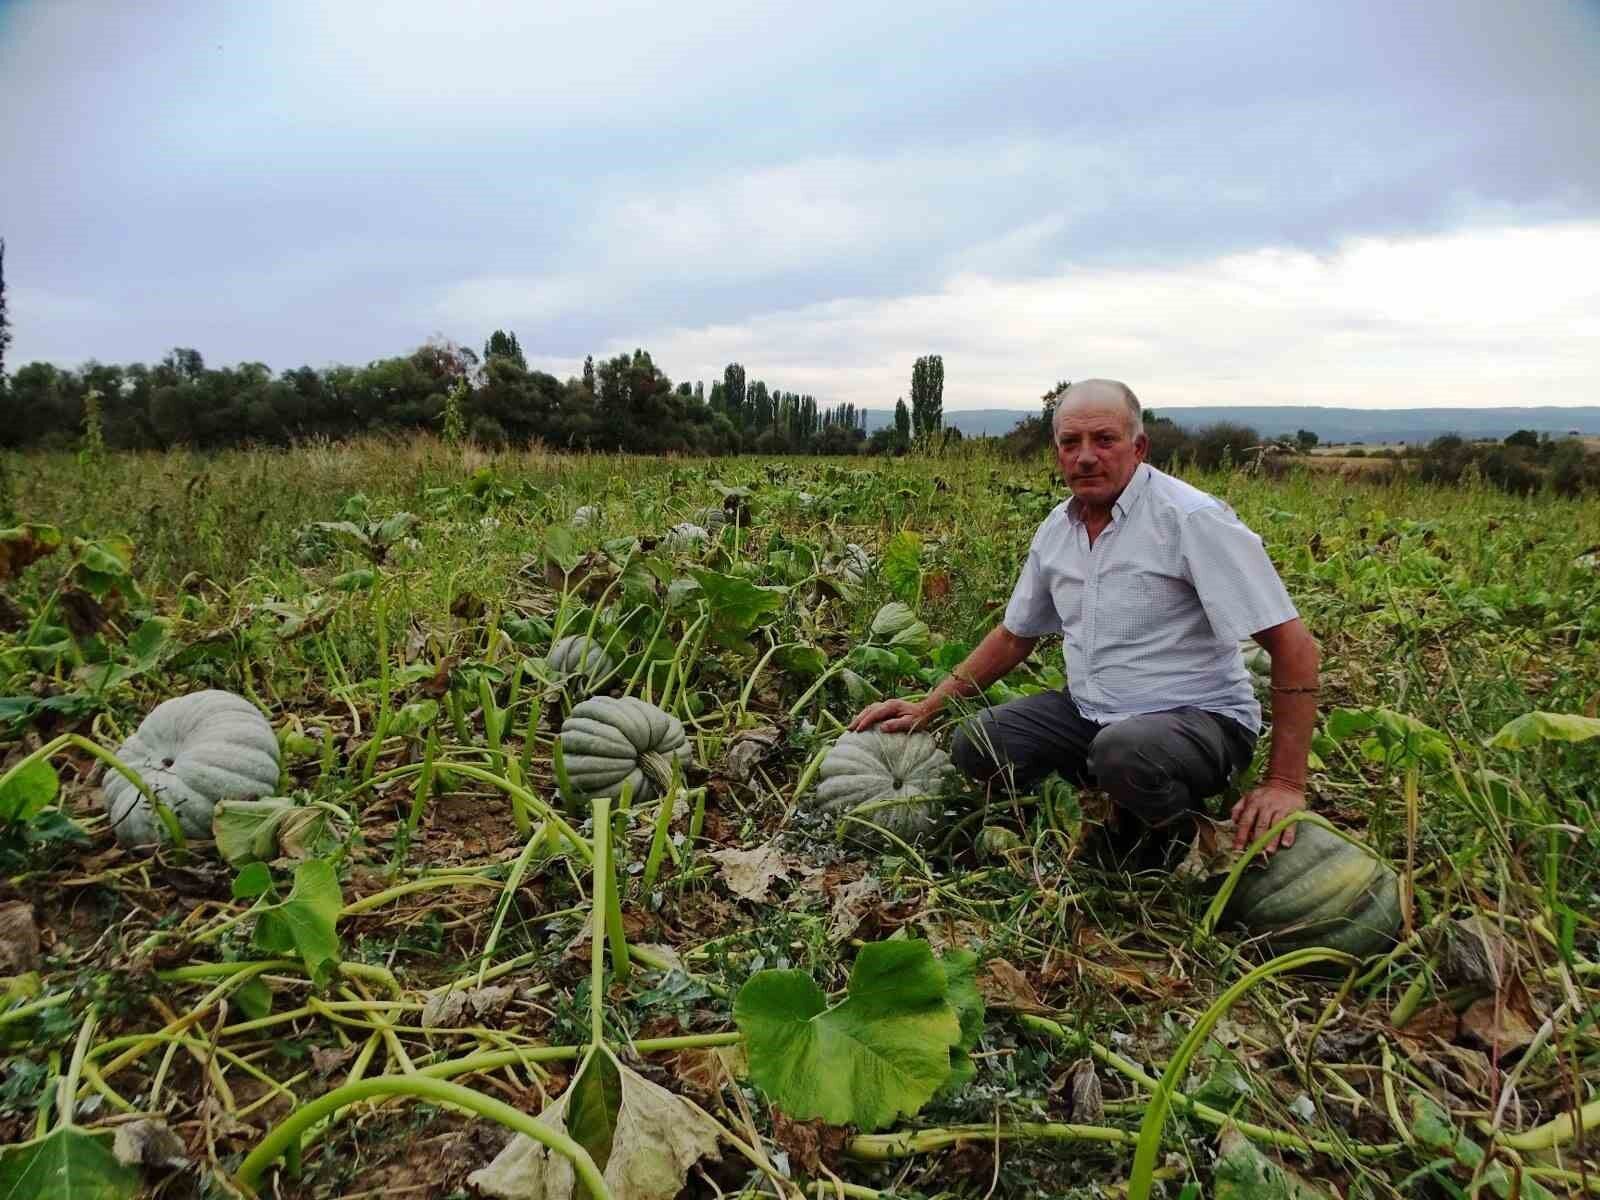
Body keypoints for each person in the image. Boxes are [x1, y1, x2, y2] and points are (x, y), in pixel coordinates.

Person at [850, 379, 1319, 866]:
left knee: (1126, 752)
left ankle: (1181, 843)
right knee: (979, 742)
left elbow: (1294, 647)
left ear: (1139, 447)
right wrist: (930, 705)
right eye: (1071, 443)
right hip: (1094, 716)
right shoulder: (1058, 529)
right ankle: (1103, 807)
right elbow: (1014, 636)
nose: (1086, 456)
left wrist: (1285, 783)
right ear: (1057, 452)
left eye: (1104, 440)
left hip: (1198, 722)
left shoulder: (1190, 520)